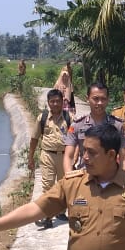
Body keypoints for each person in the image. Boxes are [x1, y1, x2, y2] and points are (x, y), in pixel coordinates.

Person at [63, 81, 125, 174]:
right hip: (85, 176)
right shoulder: (77, 125)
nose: (100, 103)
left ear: (108, 100)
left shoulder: (117, 125)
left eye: (103, 99)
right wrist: (69, 180)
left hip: (110, 177)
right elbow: (68, 156)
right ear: (87, 99)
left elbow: (124, 157)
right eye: (95, 99)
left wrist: (123, 181)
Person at [28, 88, 70, 229]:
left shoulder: (69, 118)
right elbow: (34, 139)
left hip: (64, 157)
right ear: (48, 103)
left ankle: (60, 212)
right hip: (47, 155)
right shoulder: (43, 118)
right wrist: (30, 158)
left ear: (62, 102)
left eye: (58, 101)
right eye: (52, 101)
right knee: (47, 186)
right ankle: (47, 216)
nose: (55, 104)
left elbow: (75, 139)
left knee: (64, 185)